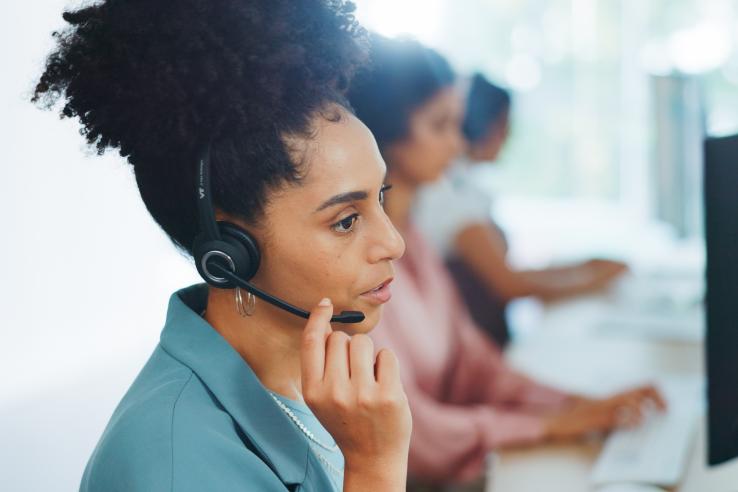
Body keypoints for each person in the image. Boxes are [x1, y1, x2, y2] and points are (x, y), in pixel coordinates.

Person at [33, 2, 411, 491]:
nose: (394, 243)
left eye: (381, 197)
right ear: (229, 253)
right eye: (345, 220)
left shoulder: (319, 389)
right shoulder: (174, 464)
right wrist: (376, 467)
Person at [348, 34, 664, 489]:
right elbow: (418, 432)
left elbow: (473, 361)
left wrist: (571, 404)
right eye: (440, 126)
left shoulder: (412, 238)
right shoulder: (356, 271)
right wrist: (546, 426)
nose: (458, 146)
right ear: (383, 138)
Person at [414, 73, 628, 347]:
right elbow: (510, 284)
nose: (508, 136)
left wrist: (584, 267)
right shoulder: (445, 196)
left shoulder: (462, 186)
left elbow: (510, 272)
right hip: (477, 344)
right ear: (482, 124)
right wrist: (593, 281)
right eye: (504, 125)